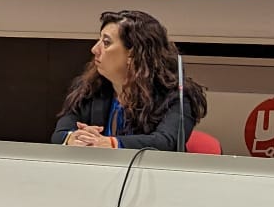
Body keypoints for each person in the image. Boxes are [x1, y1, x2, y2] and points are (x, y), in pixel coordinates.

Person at [53, 9, 207, 151]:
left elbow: (165, 142)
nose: (94, 49)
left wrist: (112, 143)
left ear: (132, 54)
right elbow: (60, 133)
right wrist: (73, 138)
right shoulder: (88, 88)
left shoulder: (176, 96)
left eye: (106, 43)